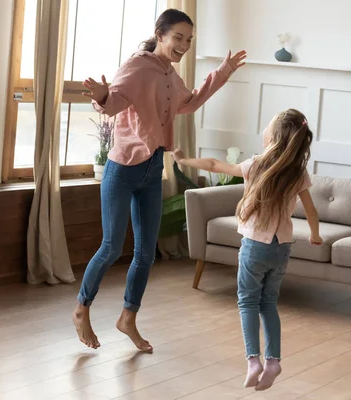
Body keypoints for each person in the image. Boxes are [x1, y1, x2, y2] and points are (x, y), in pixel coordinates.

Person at [71, 8, 247, 352]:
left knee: (145, 254)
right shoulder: (138, 66)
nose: (183, 45)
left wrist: (222, 72)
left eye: (189, 40)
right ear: (160, 34)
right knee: (110, 247)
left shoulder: (170, 73)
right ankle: (81, 308)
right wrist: (101, 94)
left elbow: (189, 103)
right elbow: (113, 104)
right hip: (123, 168)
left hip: (152, 170)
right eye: (178, 37)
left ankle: (127, 318)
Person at [172, 108, 323, 391]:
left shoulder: (256, 165)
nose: (263, 129)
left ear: (274, 136)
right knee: (269, 304)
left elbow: (214, 165)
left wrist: (183, 160)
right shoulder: (297, 173)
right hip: (281, 250)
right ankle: (274, 361)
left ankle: (253, 361)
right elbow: (312, 211)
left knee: (247, 302)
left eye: (267, 125)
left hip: (254, 247)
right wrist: (315, 236)